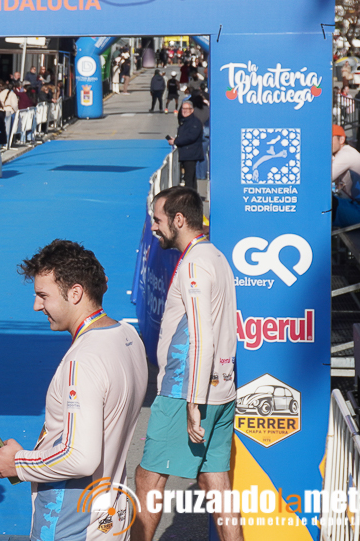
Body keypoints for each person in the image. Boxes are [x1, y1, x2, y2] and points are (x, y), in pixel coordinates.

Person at [0, 240, 146, 539]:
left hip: (73, 524)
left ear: (75, 293)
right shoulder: (128, 335)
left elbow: (80, 457)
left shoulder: (82, 361)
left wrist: (18, 463)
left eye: (43, 295)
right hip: (111, 518)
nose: (36, 306)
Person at [135, 187, 241, 541]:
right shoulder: (216, 256)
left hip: (186, 392)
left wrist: (194, 401)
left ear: (178, 220)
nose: (153, 227)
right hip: (221, 389)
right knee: (216, 484)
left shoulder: (194, 263)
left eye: (158, 219)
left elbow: (202, 336)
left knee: (148, 479)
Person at [168, 100, 203, 191]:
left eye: (187, 109)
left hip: (191, 153)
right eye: (183, 109)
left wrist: (176, 141)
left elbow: (191, 137)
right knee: (190, 177)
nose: (184, 111)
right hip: (186, 153)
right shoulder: (185, 121)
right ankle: (193, 195)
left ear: (192, 110)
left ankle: (189, 196)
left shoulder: (194, 122)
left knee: (189, 178)